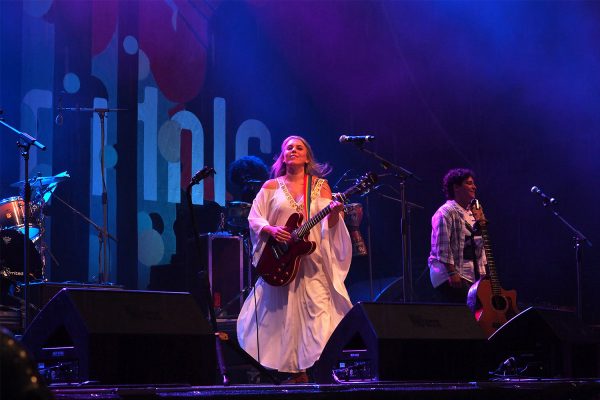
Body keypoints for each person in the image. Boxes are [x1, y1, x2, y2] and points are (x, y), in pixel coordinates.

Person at [236, 135, 353, 383]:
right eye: (288, 147)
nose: (293, 150)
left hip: (312, 263)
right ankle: (295, 373)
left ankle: (319, 370)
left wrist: (335, 213)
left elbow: (329, 226)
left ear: (307, 156)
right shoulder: (270, 187)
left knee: (318, 313)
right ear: (282, 155)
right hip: (284, 261)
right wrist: (271, 230)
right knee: (284, 318)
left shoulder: (320, 186)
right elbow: (255, 218)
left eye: (299, 147)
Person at [428, 168, 487, 303]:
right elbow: (442, 246)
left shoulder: (472, 213)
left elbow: (479, 245)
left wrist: (483, 273)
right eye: (469, 183)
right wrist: (452, 273)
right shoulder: (446, 212)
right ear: (456, 187)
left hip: (470, 275)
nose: (474, 186)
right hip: (449, 274)